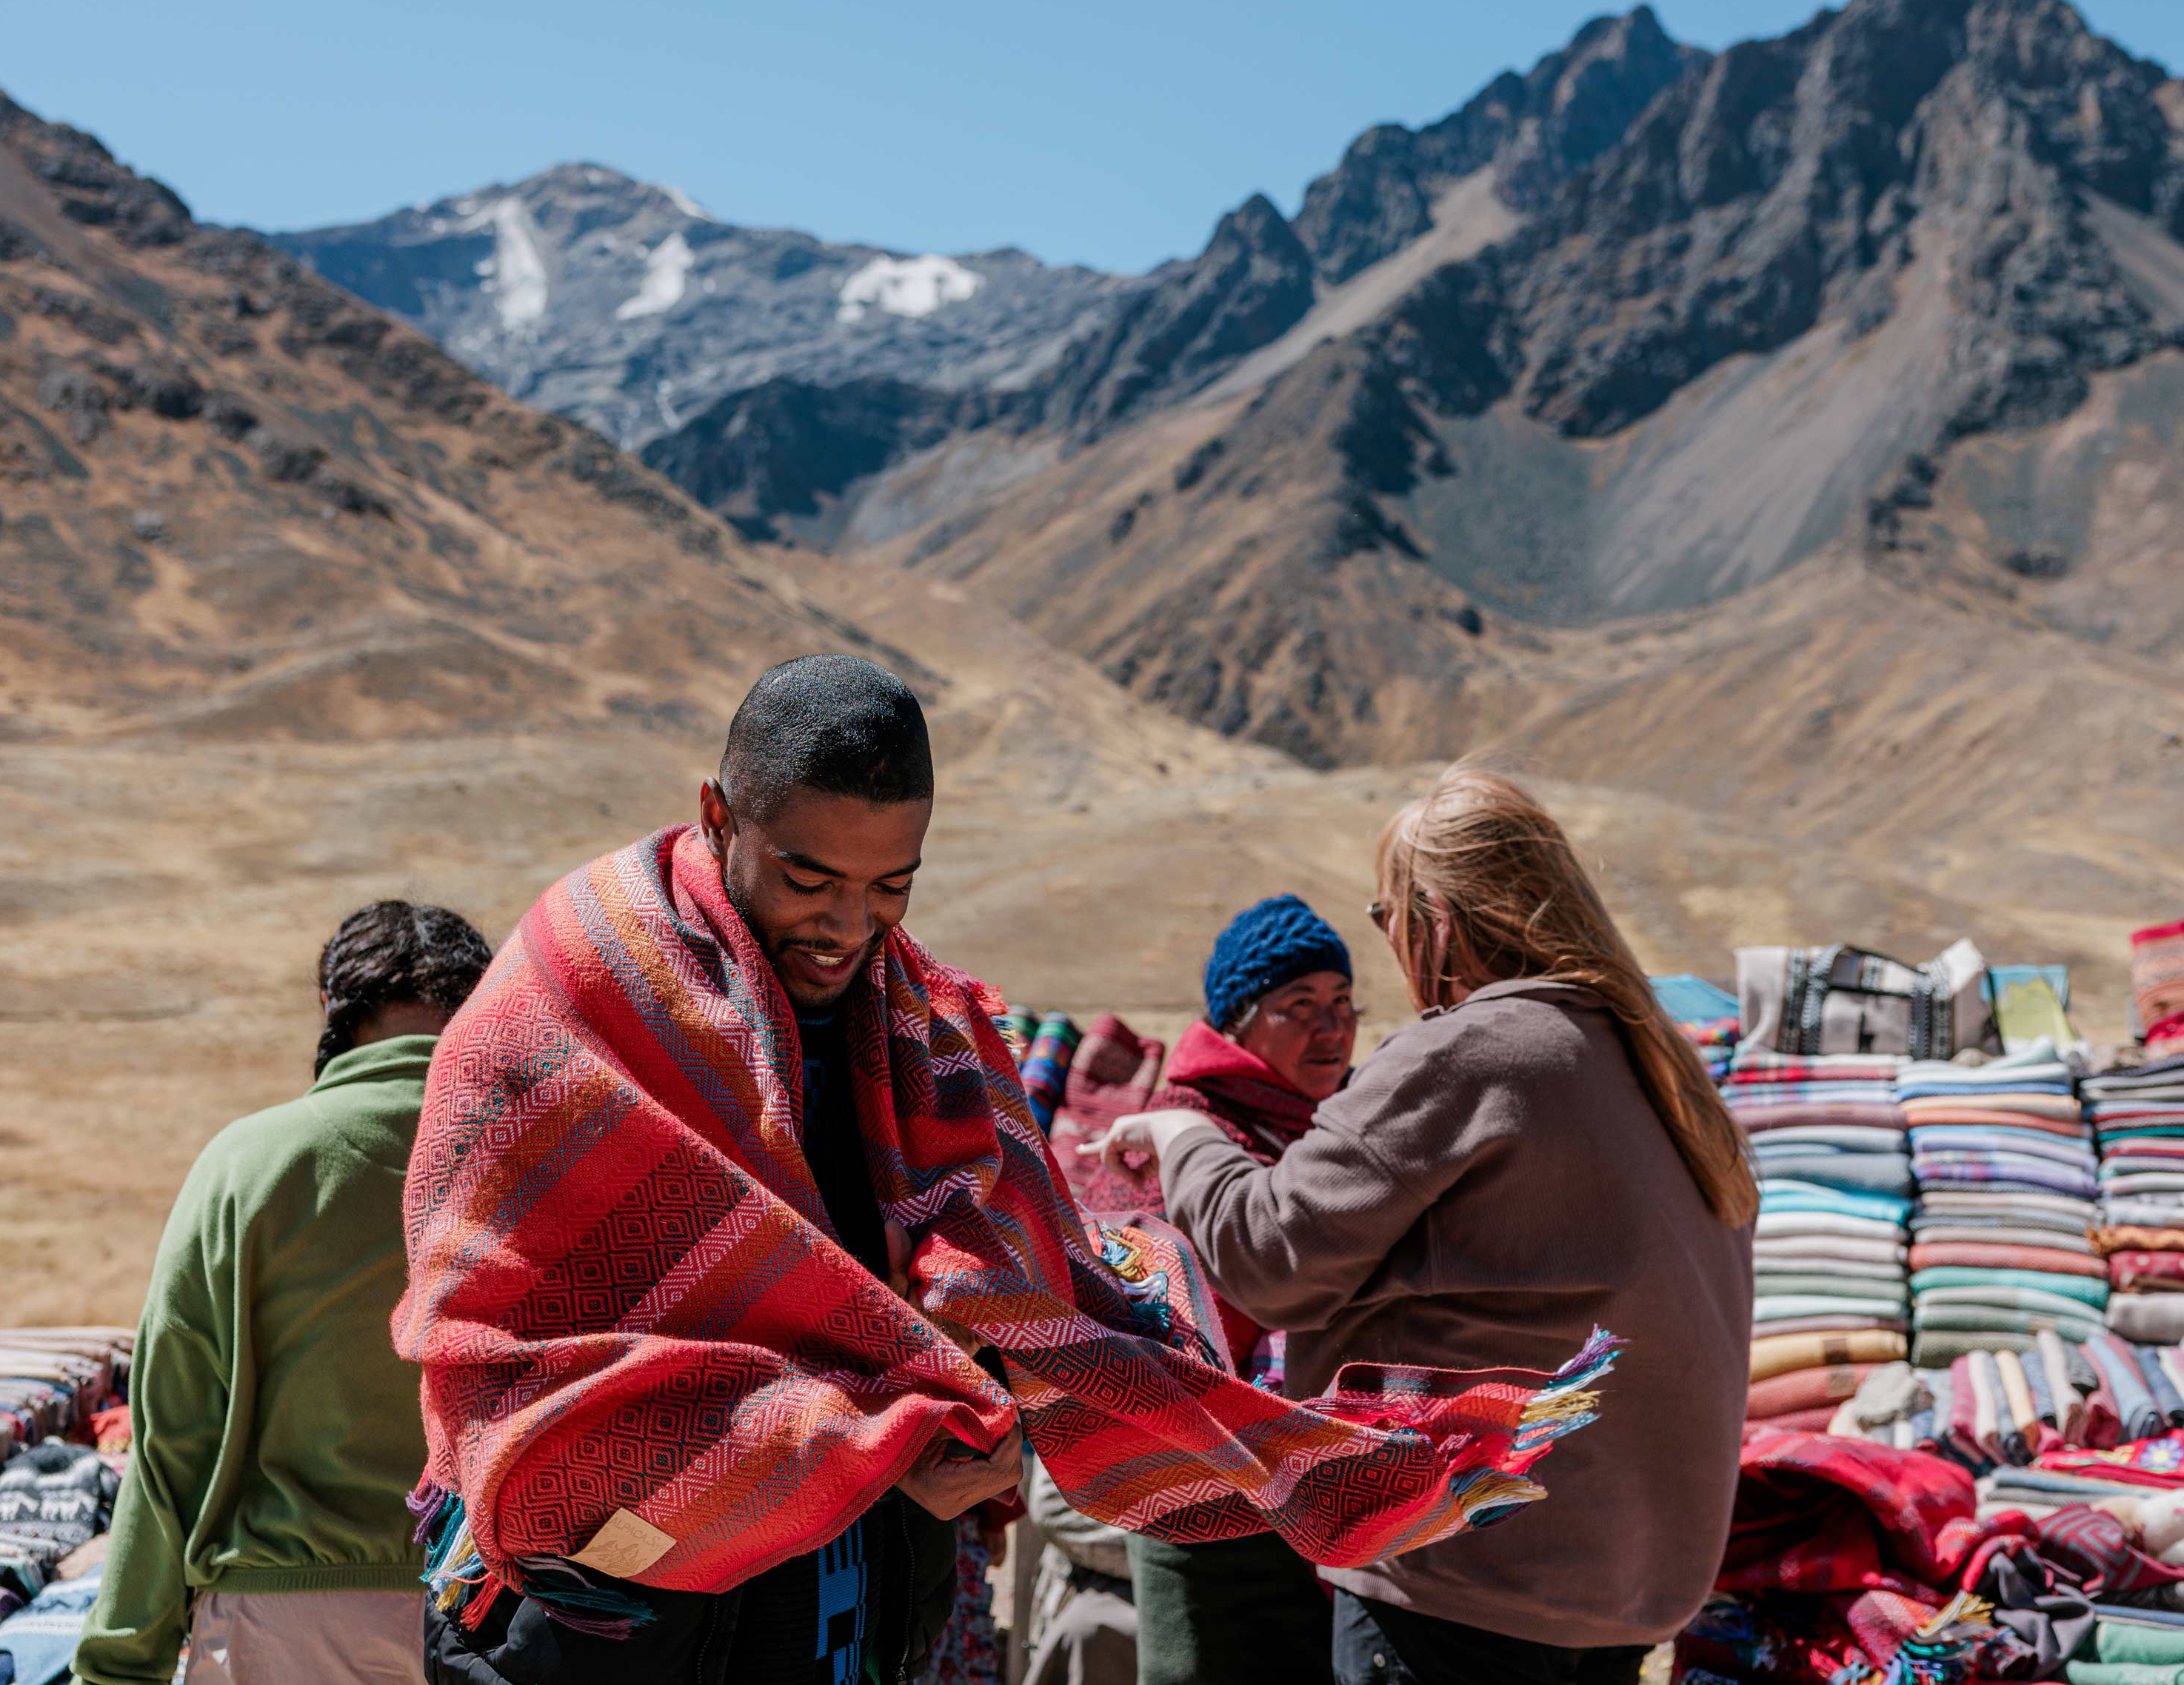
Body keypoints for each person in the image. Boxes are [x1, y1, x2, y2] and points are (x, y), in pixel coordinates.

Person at [395, 660, 1629, 1685]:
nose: (846, 927)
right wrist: (857, 1438)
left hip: (861, 1602)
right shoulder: (570, 1005)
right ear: (719, 818)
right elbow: (503, 1351)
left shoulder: (918, 1029)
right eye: (810, 879)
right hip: (620, 1623)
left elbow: (988, 1282)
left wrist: (978, 1402)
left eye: (891, 888)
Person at [1085, 765, 1757, 1685]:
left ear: (1435, 919)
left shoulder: (1481, 1051)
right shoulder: (1655, 1060)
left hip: (1467, 1585)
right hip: (1621, 1592)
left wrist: (1183, 1134)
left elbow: (1267, 1255)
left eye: (1386, 918)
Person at [73, 900, 493, 1685]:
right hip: (498, 1617)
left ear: (332, 1008)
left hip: (283, 1631)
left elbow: (174, 1434)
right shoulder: (546, 1160)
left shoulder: (247, 1164)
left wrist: (119, 1661)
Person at [1066, 895, 1355, 1685]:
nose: (1331, 1028)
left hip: (1319, 1497)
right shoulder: (1180, 1137)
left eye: (1341, 1003)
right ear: (1239, 1021)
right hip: (1199, 1494)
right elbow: (1140, 1319)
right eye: (1300, 1006)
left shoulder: (1341, 1126)